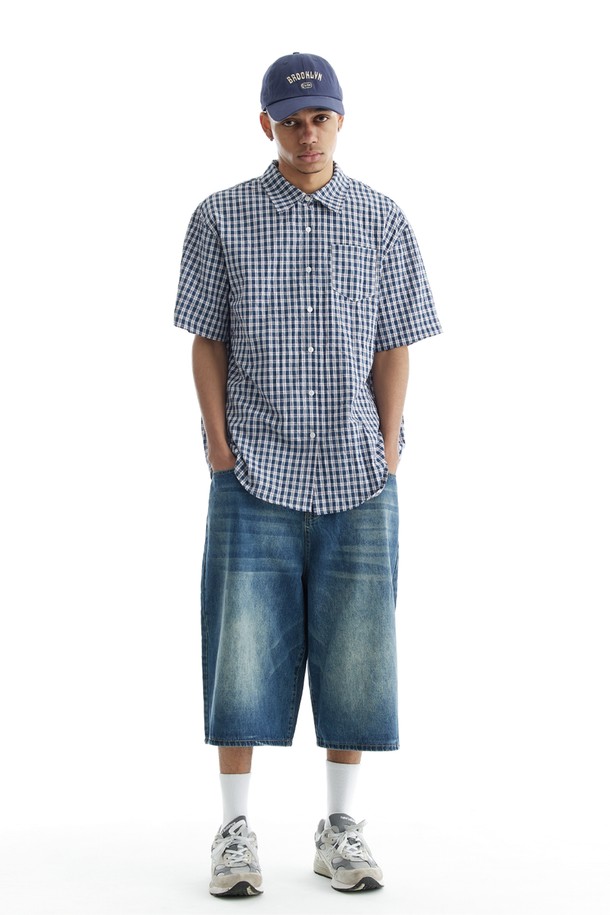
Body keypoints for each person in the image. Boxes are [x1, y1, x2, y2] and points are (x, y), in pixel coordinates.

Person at [174, 51, 442, 897]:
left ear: (340, 118)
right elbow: (207, 338)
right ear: (267, 125)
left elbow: (394, 342)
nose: (307, 134)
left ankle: (341, 827)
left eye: (320, 117)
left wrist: (388, 446)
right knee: (240, 647)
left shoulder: (381, 218)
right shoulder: (221, 216)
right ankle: (234, 830)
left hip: (359, 471)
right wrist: (218, 445)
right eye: (291, 121)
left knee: (358, 648)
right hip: (253, 466)